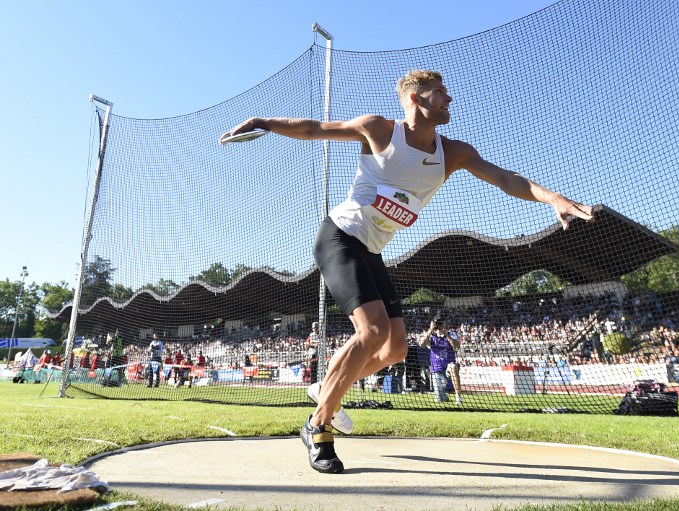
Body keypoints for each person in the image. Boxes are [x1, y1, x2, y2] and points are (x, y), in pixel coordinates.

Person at [220, 69, 594, 474]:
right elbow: (314, 129)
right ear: (416, 99)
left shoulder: (454, 153)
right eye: (440, 93)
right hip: (340, 237)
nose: (449, 100)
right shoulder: (379, 130)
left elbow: (507, 179)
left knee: (396, 349)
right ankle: (319, 426)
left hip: (372, 251)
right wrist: (264, 123)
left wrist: (553, 198)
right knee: (373, 332)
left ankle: (327, 389)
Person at [420, 316, 463, 404]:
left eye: (441, 323)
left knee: (453, 366)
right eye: (437, 323)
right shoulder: (431, 335)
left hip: (448, 366)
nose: (439, 325)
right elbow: (422, 344)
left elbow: (456, 346)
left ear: (445, 323)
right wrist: (430, 330)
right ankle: (443, 396)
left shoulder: (451, 333)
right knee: (440, 399)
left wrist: (446, 334)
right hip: (437, 369)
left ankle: (458, 397)